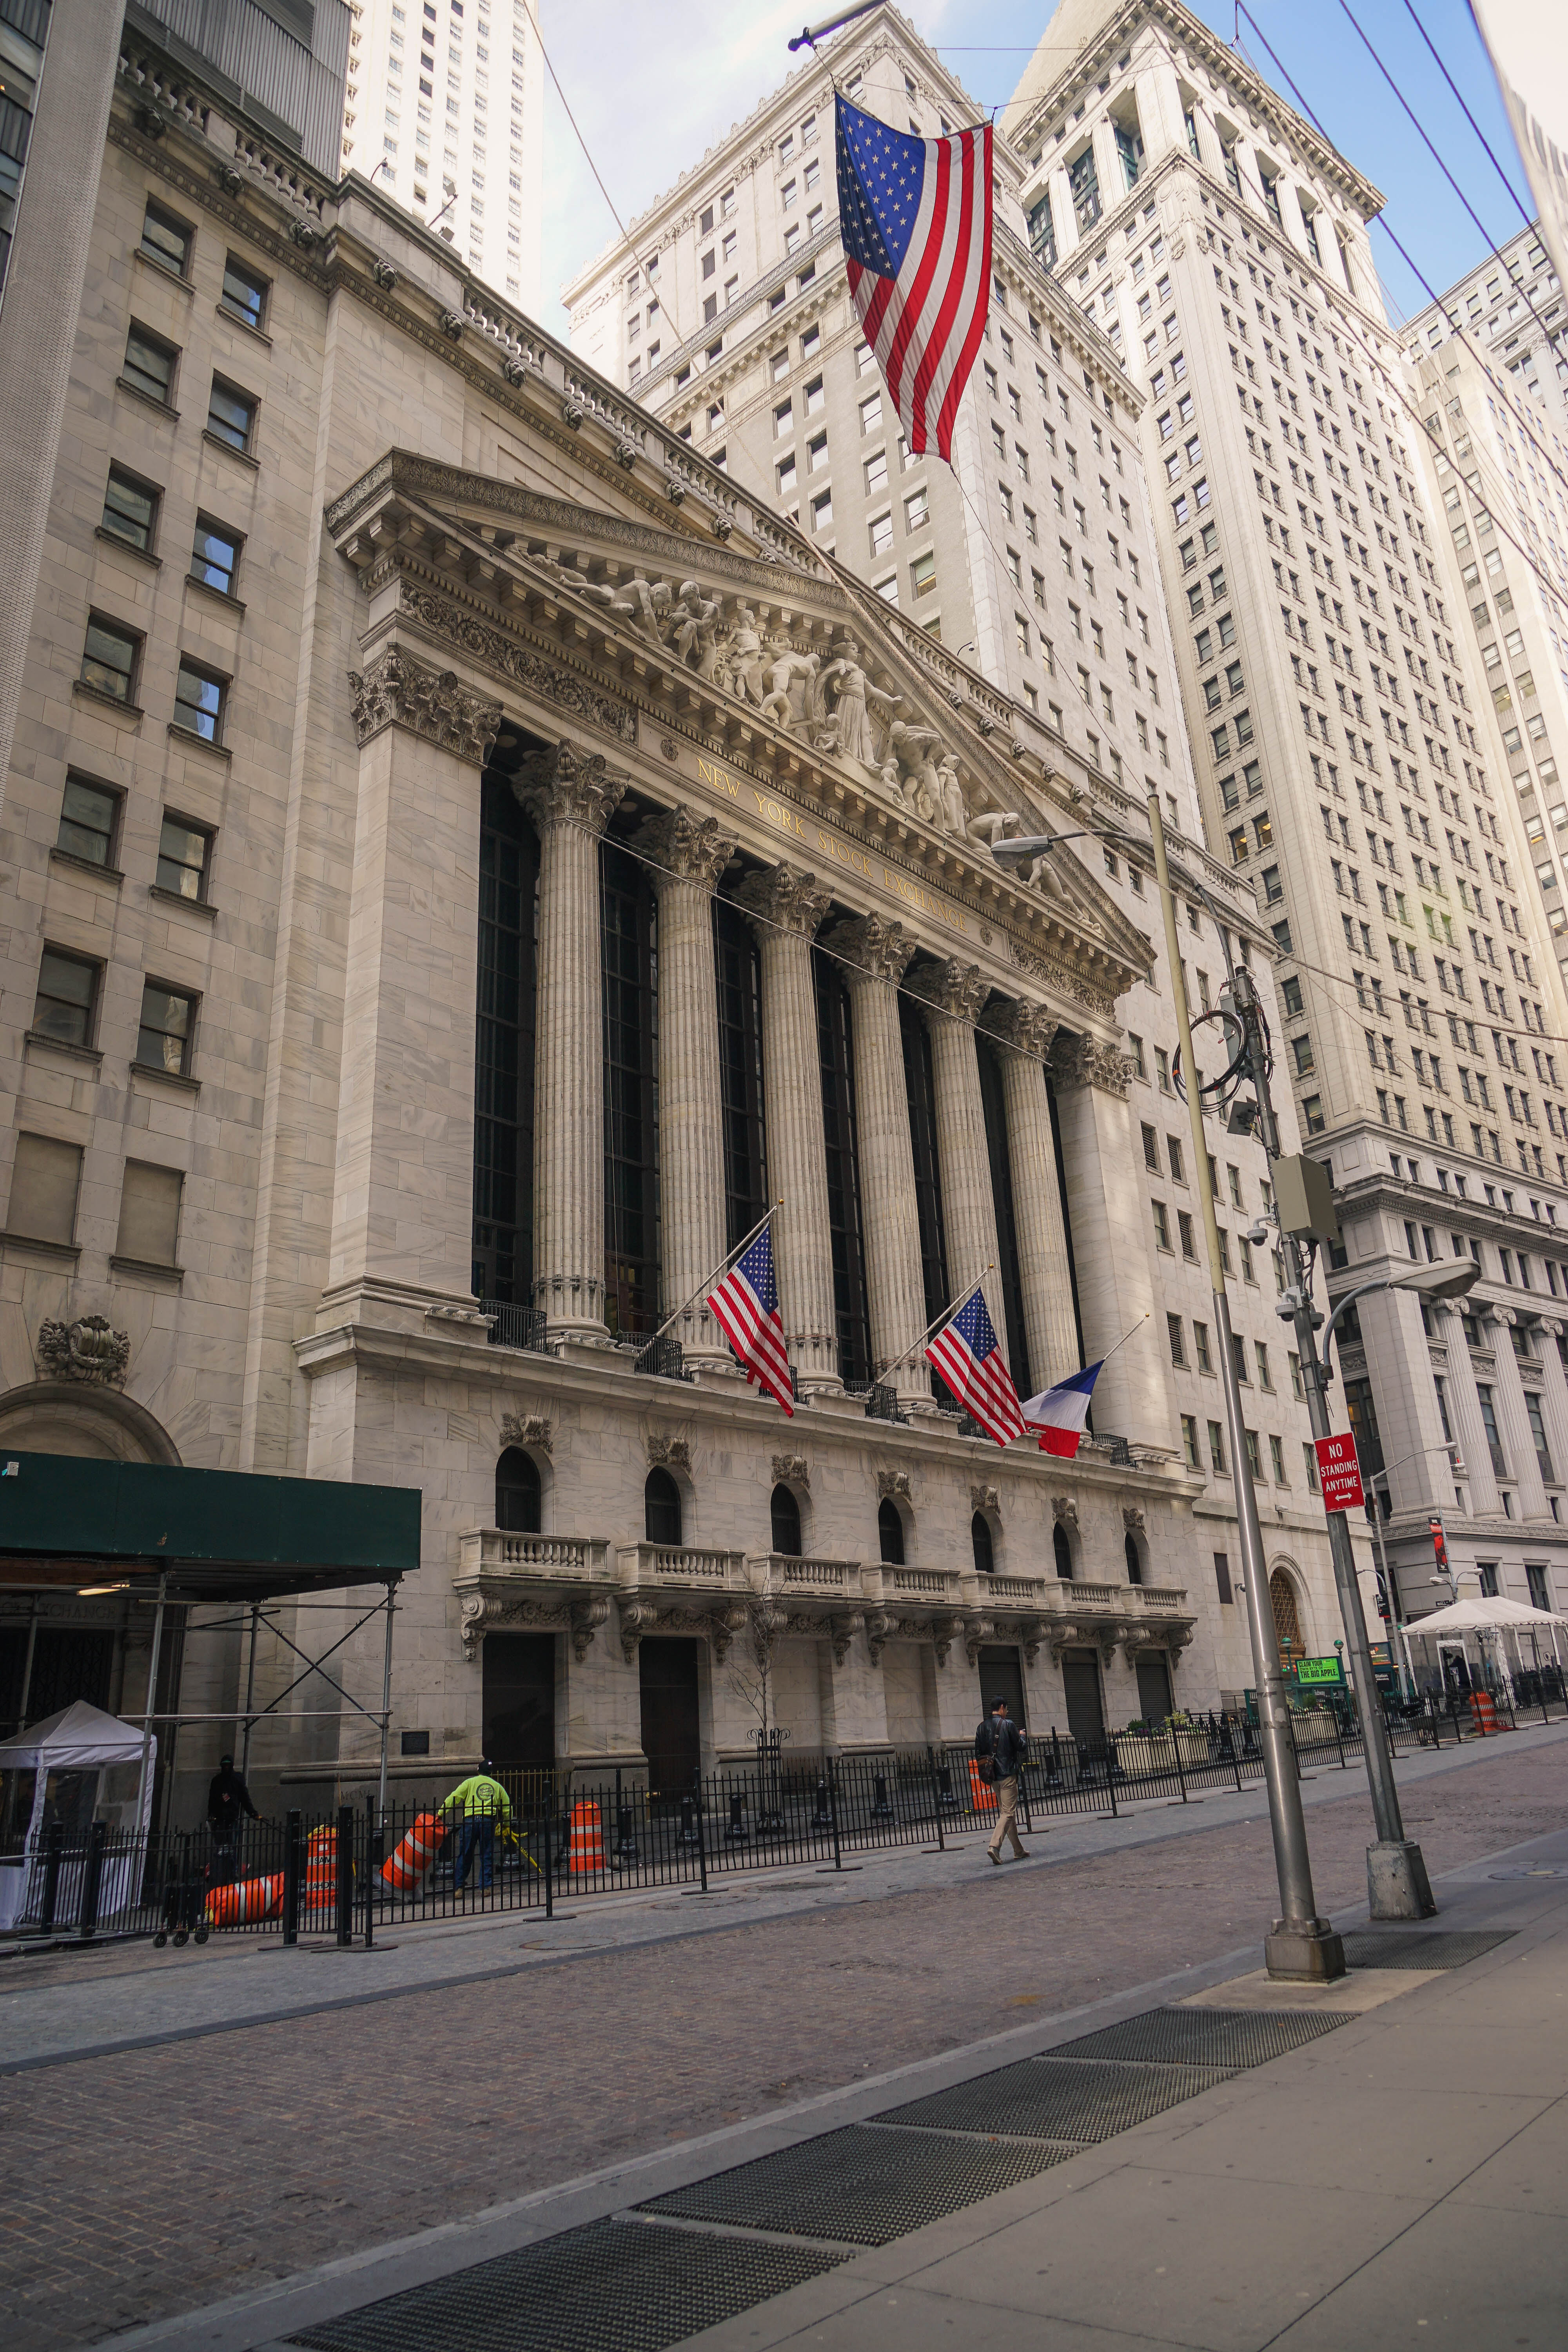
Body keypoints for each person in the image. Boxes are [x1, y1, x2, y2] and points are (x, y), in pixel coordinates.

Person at [439, 1762, 512, 1892]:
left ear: (478, 1770)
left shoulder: (469, 1783)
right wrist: (506, 1824)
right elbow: (507, 1808)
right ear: (491, 1772)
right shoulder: (497, 1786)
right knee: (487, 1854)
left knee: (465, 1854)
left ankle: (459, 1888)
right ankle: (486, 1887)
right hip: (488, 1822)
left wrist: (441, 1813)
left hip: (470, 1822)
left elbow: (454, 1797)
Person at [975, 1695, 1030, 1864]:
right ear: (1002, 1707)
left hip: (992, 1776)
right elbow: (1021, 1747)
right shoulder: (1008, 1725)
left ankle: (1018, 1850)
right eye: (1006, 1709)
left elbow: (978, 1752)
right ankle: (994, 1846)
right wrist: (1021, 1736)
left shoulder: (981, 1727)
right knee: (1007, 1812)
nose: (1007, 1712)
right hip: (1007, 1774)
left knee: (1007, 1811)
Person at [207, 1753, 258, 1887]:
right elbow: (212, 1799)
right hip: (220, 1818)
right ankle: (220, 1870)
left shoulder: (237, 1779)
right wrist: (211, 1814)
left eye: (228, 1765)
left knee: (232, 1845)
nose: (226, 1768)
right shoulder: (217, 1781)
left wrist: (253, 1813)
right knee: (220, 1846)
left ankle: (233, 1870)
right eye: (224, 1765)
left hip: (232, 1817)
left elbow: (245, 1798)